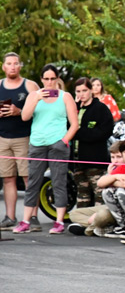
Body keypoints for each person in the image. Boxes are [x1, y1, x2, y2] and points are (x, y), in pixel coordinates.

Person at [13, 64, 79, 234]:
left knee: (58, 182)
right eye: (46, 79)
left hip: (57, 143)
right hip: (37, 143)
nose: (49, 82)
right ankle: (25, 220)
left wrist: (64, 141)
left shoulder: (65, 97)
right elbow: (25, 116)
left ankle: (59, 222)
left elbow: (74, 124)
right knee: (33, 182)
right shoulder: (34, 95)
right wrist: (36, 98)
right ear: (41, 80)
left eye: (52, 79)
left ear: (57, 79)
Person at [0, 53, 40, 231]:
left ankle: (33, 217)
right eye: (9, 63)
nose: (13, 66)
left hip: (25, 137)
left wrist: (19, 111)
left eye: (16, 63)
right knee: (8, 178)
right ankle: (10, 217)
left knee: (29, 178)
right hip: (2, 138)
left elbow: (41, 109)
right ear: (4, 67)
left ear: (20, 66)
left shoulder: (30, 85)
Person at [72, 77, 114, 208]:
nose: (81, 94)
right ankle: (82, 218)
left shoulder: (101, 108)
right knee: (82, 195)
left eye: (84, 90)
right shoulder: (73, 108)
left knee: (100, 195)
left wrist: (78, 132)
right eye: (78, 91)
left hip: (95, 160)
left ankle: (99, 220)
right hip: (76, 161)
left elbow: (105, 131)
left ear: (91, 90)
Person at [67, 141, 122, 236]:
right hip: (108, 207)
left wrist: (112, 177)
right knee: (74, 214)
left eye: (119, 157)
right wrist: (110, 174)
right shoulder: (112, 169)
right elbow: (101, 184)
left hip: (120, 209)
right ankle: (98, 226)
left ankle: (88, 229)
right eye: (113, 157)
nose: (115, 161)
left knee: (102, 215)